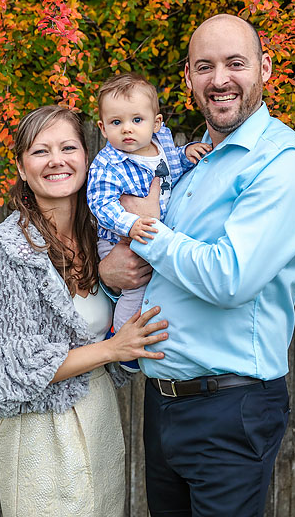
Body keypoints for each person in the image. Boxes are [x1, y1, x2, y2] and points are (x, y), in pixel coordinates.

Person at [99, 14, 295, 516]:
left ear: (264, 68)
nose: (219, 79)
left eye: (236, 63)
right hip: (161, 401)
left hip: (230, 407)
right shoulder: (185, 161)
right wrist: (108, 272)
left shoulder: (281, 162)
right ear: (187, 78)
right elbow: (149, 264)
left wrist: (145, 232)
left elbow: (229, 278)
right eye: (205, 66)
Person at [0, 106, 169, 517]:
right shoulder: (9, 252)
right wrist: (114, 349)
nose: (57, 160)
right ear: (21, 167)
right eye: (41, 151)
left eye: (68, 147)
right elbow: (11, 369)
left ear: (86, 158)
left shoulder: (102, 236)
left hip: (100, 421)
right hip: (43, 433)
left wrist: (107, 277)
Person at [86, 73, 211, 371]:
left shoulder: (162, 143)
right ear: (103, 128)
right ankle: (123, 339)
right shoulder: (107, 164)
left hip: (152, 235)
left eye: (137, 120)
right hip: (118, 239)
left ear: (155, 124)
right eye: (116, 123)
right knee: (135, 288)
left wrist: (187, 154)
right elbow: (99, 203)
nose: (127, 129)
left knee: (161, 285)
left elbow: (172, 167)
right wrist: (129, 224)